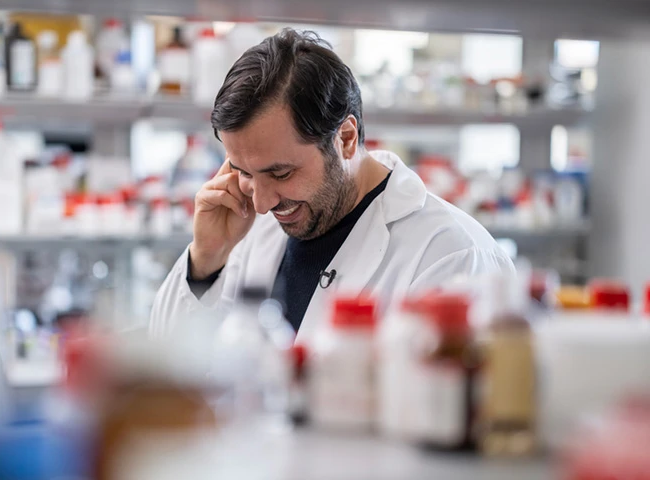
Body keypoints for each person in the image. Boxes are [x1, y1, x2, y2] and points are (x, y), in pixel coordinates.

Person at [150, 28, 514, 342]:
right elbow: (173, 367)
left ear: (346, 138)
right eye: (244, 173)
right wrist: (206, 260)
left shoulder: (454, 255)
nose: (261, 203)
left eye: (280, 174)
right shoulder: (248, 227)